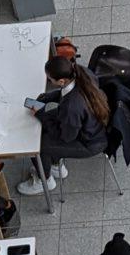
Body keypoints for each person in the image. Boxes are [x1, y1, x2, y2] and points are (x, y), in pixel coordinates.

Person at [23, 52, 111, 183]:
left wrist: (41, 114)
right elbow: (68, 93)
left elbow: (66, 137)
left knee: (38, 145)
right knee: (47, 124)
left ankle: (44, 181)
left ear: (61, 81)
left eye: (50, 79)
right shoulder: (82, 73)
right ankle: (55, 165)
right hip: (91, 124)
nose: (49, 81)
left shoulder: (71, 107)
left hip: (89, 142)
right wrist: (49, 97)